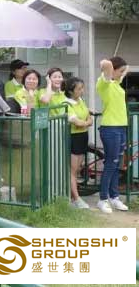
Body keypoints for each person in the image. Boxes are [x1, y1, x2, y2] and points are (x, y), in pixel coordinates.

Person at [96, 57, 130, 214]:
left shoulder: (117, 84)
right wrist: (108, 65)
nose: (123, 74)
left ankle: (114, 197)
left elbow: (122, 70)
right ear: (112, 70)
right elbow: (106, 64)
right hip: (110, 128)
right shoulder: (104, 83)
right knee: (111, 164)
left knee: (117, 165)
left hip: (121, 128)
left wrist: (123, 69)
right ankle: (102, 199)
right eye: (120, 71)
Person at [64, 76, 92, 209]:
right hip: (74, 137)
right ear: (71, 91)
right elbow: (77, 122)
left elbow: (88, 117)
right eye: (79, 89)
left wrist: (85, 122)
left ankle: (71, 196)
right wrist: (86, 123)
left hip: (83, 136)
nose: (82, 91)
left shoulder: (81, 100)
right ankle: (76, 198)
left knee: (78, 169)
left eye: (82, 88)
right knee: (73, 171)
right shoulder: (66, 103)